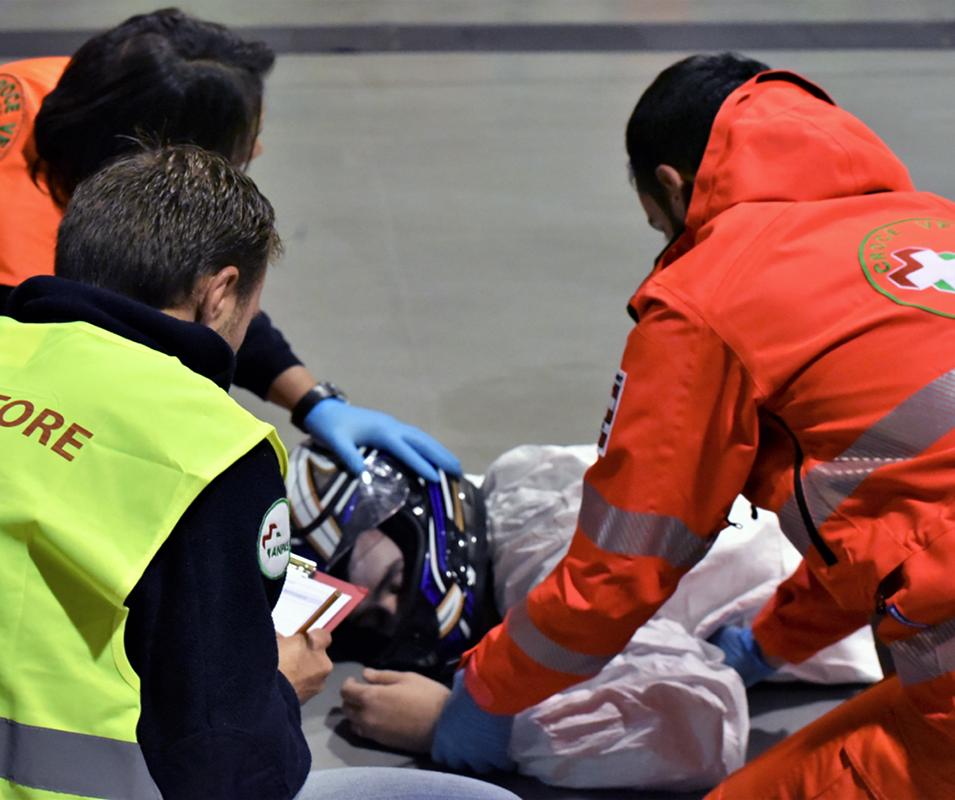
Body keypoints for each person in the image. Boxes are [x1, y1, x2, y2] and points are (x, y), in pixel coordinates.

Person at [346, 52, 955, 798]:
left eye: (659, 225)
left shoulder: (711, 295)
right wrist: (762, 644)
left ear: (670, 185)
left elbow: (615, 574)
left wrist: (485, 694)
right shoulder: (933, 224)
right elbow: (897, 509)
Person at [0, 143, 522, 800]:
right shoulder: (207, 451)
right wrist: (276, 690)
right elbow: (227, 769)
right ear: (221, 294)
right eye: (251, 313)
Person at [0, 6, 458, 485]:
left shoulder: (73, 89)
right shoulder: (10, 277)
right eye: (245, 144)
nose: (259, 155)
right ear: (157, 159)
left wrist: (313, 401)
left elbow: (189, 277)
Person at [293, 440, 880, 791]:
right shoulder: (515, 487)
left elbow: (700, 721)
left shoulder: (539, 551)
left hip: (897, 616)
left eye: (393, 582)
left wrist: (470, 725)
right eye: (375, 621)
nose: (397, 611)